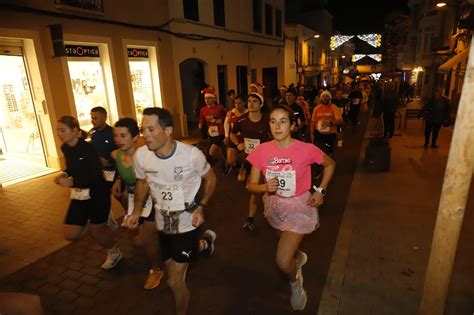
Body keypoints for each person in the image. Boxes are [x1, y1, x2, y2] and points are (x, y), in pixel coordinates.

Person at [246, 104, 336, 311]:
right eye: (273, 121)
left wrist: (320, 191)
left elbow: (330, 164)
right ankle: (298, 256)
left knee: (282, 259)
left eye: (283, 121)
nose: (277, 126)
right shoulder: (261, 151)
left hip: (299, 207)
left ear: (293, 125)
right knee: (286, 246)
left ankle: (296, 283)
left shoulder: (306, 149)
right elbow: (251, 185)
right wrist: (263, 187)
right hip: (274, 205)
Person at [129, 107, 217, 315]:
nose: (146, 135)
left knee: (174, 282)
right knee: (173, 267)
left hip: (187, 222)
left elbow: (211, 178)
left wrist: (202, 206)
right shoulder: (141, 156)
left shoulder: (191, 155)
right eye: (143, 130)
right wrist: (136, 212)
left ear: (168, 130)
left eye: (151, 129)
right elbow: (142, 183)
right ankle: (205, 244)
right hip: (163, 222)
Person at [54, 116, 122, 270]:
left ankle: (114, 252)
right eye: (57, 130)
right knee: (70, 235)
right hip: (80, 194)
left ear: (75, 131)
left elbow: (95, 177)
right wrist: (65, 174)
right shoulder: (65, 147)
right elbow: (72, 167)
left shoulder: (89, 148)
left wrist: (72, 182)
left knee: (96, 232)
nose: (59, 133)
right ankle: (102, 219)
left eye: (62, 130)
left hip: (98, 193)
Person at [110, 118, 164, 290]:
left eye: (123, 135)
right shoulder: (116, 154)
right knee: (137, 241)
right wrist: (119, 181)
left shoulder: (147, 155)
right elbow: (122, 173)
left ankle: (156, 270)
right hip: (133, 200)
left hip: (153, 199)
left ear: (135, 137)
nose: (118, 139)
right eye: (115, 136)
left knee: (147, 239)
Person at [230, 92, 271, 231]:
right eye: (249, 101)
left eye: (255, 101)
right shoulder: (241, 120)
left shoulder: (267, 120)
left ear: (261, 104)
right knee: (256, 190)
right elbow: (232, 134)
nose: (251, 104)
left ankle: (268, 214)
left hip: (266, 159)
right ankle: (250, 219)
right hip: (251, 160)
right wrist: (238, 144)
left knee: (268, 188)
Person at [90, 106, 119, 230]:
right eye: (92, 118)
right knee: (102, 196)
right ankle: (108, 218)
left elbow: (121, 151)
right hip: (99, 172)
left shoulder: (113, 133)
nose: (93, 120)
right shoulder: (92, 133)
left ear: (104, 117)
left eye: (95, 118)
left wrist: (109, 160)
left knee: (119, 196)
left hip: (114, 172)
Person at [198, 86, 227, 172]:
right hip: (211, 133)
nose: (207, 100)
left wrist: (221, 120)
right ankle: (224, 160)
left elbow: (228, 117)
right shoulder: (203, 110)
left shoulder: (220, 108)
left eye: (209, 98)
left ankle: (225, 160)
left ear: (214, 98)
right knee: (210, 154)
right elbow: (201, 118)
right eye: (205, 98)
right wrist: (200, 124)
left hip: (221, 133)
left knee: (212, 151)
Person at [310, 90, 344, 156]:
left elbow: (341, 121)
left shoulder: (334, 107)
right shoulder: (316, 108)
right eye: (323, 96)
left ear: (330, 98)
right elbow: (313, 122)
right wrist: (311, 133)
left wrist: (330, 123)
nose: (325, 98)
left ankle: (330, 161)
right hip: (319, 133)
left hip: (330, 134)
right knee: (319, 150)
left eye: (327, 96)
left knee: (329, 151)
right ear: (320, 98)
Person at [223, 94, 248, 174]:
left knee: (246, 159)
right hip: (233, 138)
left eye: (239, 103)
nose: (237, 105)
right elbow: (226, 123)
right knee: (230, 160)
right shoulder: (231, 113)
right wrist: (226, 136)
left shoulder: (248, 113)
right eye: (235, 103)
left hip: (245, 139)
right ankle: (237, 165)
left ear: (244, 103)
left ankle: (244, 167)